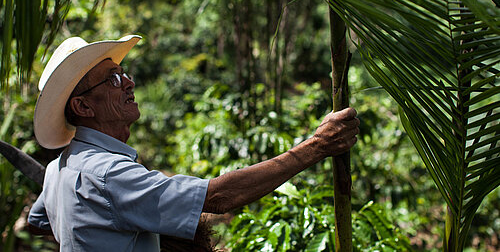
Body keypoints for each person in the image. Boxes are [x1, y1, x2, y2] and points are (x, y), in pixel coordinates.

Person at [28, 35, 359, 251]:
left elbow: (39, 221)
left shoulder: (58, 168)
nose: (128, 82)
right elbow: (217, 197)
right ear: (83, 107)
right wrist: (317, 145)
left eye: (123, 72)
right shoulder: (105, 172)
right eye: (113, 79)